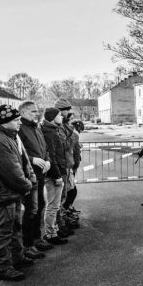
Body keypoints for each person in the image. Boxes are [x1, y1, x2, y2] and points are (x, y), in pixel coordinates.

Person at [0, 104, 36, 281]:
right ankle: (4, 268)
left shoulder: (8, 136)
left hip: (11, 194)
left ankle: (18, 258)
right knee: (4, 233)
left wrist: (26, 182)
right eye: (16, 120)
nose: (19, 122)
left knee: (15, 229)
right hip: (3, 195)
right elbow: (12, 172)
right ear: (5, 122)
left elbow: (21, 161)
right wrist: (28, 185)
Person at [17, 101, 53, 258]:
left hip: (41, 174)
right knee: (31, 209)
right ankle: (28, 244)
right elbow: (18, 153)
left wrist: (48, 160)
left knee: (40, 205)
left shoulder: (36, 128)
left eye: (38, 111)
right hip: (29, 176)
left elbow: (45, 148)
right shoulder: (20, 130)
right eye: (33, 111)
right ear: (23, 113)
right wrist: (32, 159)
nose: (37, 114)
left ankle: (37, 238)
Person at [40, 107, 69, 245]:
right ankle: (51, 234)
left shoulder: (52, 130)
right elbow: (52, 155)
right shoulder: (50, 133)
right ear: (52, 117)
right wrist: (57, 175)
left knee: (55, 205)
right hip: (54, 174)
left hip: (57, 171)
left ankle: (54, 230)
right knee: (52, 206)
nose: (62, 117)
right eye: (59, 115)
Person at [54, 98, 78, 232]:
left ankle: (62, 221)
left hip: (68, 164)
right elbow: (66, 146)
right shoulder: (58, 127)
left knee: (68, 192)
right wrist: (74, 134)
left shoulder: (63, 125)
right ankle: (60, 224)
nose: (70, 112)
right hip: (63, 165)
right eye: (67, 110)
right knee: (61, 197)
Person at [63, 119, 84, 216]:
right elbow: (74, 152)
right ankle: (67, 208)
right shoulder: (74, 135)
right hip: (70, 165)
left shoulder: (72, 135)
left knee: (71, 190)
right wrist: (76, 165)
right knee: (71, 190)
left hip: (71, 165)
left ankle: (68, 207)